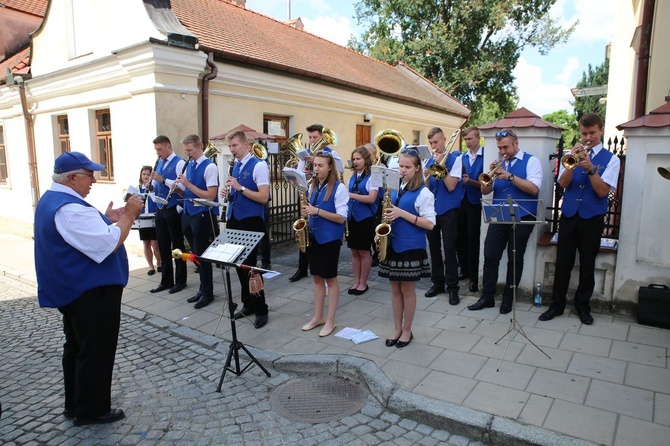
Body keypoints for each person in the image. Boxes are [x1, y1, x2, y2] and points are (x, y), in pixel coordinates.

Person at [34, 152, 143, 425]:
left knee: (77, 347)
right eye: (88, 175)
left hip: (76, 289)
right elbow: (106, 244)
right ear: (71, 178)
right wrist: (128, 216)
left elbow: (84, 234)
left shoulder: (56, 199)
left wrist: (106, 218)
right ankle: (92, 409)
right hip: (89, 292)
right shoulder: (69, 208)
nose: (93, 180)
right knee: (96, 350)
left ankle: (76, 403)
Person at [539, 113, 620, 325]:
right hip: (569, 215)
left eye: (592, 133)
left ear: (601, 130)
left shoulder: (611, 159)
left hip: (592, 217)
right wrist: (571, 165)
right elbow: (563, 184)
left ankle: (583, 306)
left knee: (586, 263)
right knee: (563, 262)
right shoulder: (572, 155)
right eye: (584, 133)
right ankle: (557, 305)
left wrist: (591, 169)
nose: (588, 137)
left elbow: (603, 191)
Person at [468, 129, 542, 314]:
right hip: (499, 214)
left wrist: (509, 176)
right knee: (490, 255)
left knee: (514, 258)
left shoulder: (531, 161)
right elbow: (485, 192)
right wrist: (489, 179)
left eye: (506, 147)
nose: (502, 151)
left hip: (523, 216)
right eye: (500, 147)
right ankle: (487, 297)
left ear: (516, 143)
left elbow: (533, 189)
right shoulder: (499, 163)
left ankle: (509, 298)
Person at [378, 148, 436, 348]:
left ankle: (407, 330)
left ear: (417, 168)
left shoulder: (424, 192)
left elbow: (430, 224)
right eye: (400, 166)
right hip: (393, 244)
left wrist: (402, 213)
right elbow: (388, 213)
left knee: (408, 291)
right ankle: (396, 328)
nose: (402, 170)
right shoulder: (395, 188)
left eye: (407, 167)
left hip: (411, 247)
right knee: (395, 289)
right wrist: (380, 230)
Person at [223, 131, 271, 328]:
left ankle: (261, 308)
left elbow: (263, 197)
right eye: (230, 146)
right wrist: (228, 192)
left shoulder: (259, 165)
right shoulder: (235, 166)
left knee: (251, 268)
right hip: (234, 218)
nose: (232, 150)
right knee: (238, 265)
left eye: (234, 145)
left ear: (245, 144)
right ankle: (247, 303)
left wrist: (240, 187)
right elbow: (237, 192)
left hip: (251, 220)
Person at [300, 151, 348, 337]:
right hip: (314, 237)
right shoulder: (314, 187)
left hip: (330, 239)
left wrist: (316, 211)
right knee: (317, 278)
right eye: (315, 165)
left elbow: (341, 218)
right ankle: (318, 316)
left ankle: (330, 320)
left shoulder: (339, 188)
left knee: (331, 279)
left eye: (320, 166)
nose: (316, 169)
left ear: (330, 167)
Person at [289, 124, 339, 283]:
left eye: (315, 137)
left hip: (325, 195)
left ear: (322, 138)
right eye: (309, 137)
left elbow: (338, 173)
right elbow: (299, 176)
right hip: (309, 194)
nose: (311, 141)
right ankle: (302, 268)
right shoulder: (306, 154)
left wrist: (316, 164)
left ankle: (321, 271)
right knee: (304, 230)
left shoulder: (332, 154)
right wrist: (301, 172)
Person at [177, 134, 219, 310]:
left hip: (202, 214)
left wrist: (187, 185)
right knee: (195, 253)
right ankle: (202, 289)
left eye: (190, 150)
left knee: (202, 255)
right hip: (188, 213)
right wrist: (178, 188)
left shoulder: (210, 167)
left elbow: (210, 195)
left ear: (199, 147)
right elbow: (187, 193)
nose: (187, 153)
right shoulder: (190, 165)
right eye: (185, 150)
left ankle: (207, 292)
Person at [425, 127, 464, 305]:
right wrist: (425, 174)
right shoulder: (429, 160)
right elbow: (424, 187)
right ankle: (437, 283)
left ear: (444, 140)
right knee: (433, 248)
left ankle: (453, 288)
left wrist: (441, 167)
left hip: (448, 210)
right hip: (431, 210)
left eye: (436, 142)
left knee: (449, 249)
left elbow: (451, 186)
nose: (434, 146)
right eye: (431, 143)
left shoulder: (456, 159)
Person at [150, 135, 187, 294]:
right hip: (160, 207)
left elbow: (182, 188)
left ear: (167, 146)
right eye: (156, 150)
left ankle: (180, 280)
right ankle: (166, 280)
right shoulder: (159, 163)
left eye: (159, 149)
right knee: (163, 245)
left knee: (177, 245)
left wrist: (162, 179)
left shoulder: (179, 163)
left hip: (173, 207)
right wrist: (151, 186)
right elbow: (156, 184)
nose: (158, 153)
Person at [347, 146, 379, 295]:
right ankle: (356, 281)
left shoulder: (372, 177)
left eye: (358, 159)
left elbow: (371, 198)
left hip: (365, 218)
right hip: (352, 217)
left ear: (366, 160)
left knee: (364, 252)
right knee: (354, 251)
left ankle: (363, 283)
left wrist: (351, 195)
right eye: (354, 159)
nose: (355, 161)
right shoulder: (352, 177)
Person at [457, 126, 484, 292]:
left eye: (470, 139)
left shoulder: (485, 155)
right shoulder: (462, 157)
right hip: (462, 201)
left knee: (473, 239)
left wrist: (471, 182)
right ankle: (464, 270)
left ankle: (474, 276)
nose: (467, 142)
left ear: (478, 138)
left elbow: (487, 182)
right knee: (460, 237)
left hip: (476, 202)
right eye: (465, 139)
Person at [138, 165, 161, 275]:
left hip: (153, 217)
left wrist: (150, 186)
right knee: (146, 243)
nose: (146, 176)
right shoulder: (138, 188)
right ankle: (151, 267)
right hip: (142, 218)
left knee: (154, 243)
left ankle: (159, 263)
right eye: (144, 174)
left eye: (148, 174)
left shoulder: (154, 186)